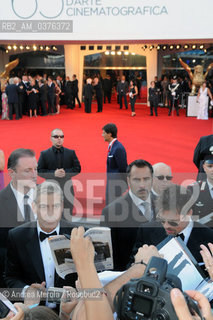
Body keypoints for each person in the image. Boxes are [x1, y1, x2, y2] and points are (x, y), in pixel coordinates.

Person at [4, 182, 77, 294]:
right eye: (44, 206)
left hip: (71, 309)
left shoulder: (76, 235)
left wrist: (77, 292)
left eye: (55, 206)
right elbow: (11, 277)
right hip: (33, 309)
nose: (51, 212)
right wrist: (27, 291)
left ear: (62, 206)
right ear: (34, 207)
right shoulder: (17, 236)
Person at [130, 184, 213, 271]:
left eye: (173, 222)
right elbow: (131, 268)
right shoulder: (146, 231)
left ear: (189, 213)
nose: (166, 226)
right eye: (162, 220)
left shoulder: (209, 237)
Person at [101, 159, 157, 271]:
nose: (142, 185)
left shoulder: (164, 205)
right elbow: (107, 258)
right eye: (136, 180)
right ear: (128, 180)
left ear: (152, 180)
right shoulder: (111, 212)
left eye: (146, 179)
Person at [0, 148, 37, 287]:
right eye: (28, 171)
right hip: (12, 286)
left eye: (35, 169)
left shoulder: (50, 197)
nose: (34, 175)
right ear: (11, 173)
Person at [37, 128, 81, 217]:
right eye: (56, 136)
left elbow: (77, 168)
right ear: (51, 138)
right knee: (51, 215)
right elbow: (39, 171)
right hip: (50, 188)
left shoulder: (71, 153)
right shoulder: (44, 154)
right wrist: (54, 174)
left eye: (61, 136)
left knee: (67, 214)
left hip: (67, 187)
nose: (59, 139)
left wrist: (66, 173)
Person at [102, 123, 128, 206]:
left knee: (114, 208)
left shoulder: (118, 148)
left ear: (110, 134)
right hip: (111, 183)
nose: (102, 135)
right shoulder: (112, 146)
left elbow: (123, 168)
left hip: (116, 185)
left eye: (104, 133)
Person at [190, 154, 213, 227]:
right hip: (202, 235)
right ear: (204, 167)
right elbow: (186, 217)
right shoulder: (193, 189)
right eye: (209, 166)